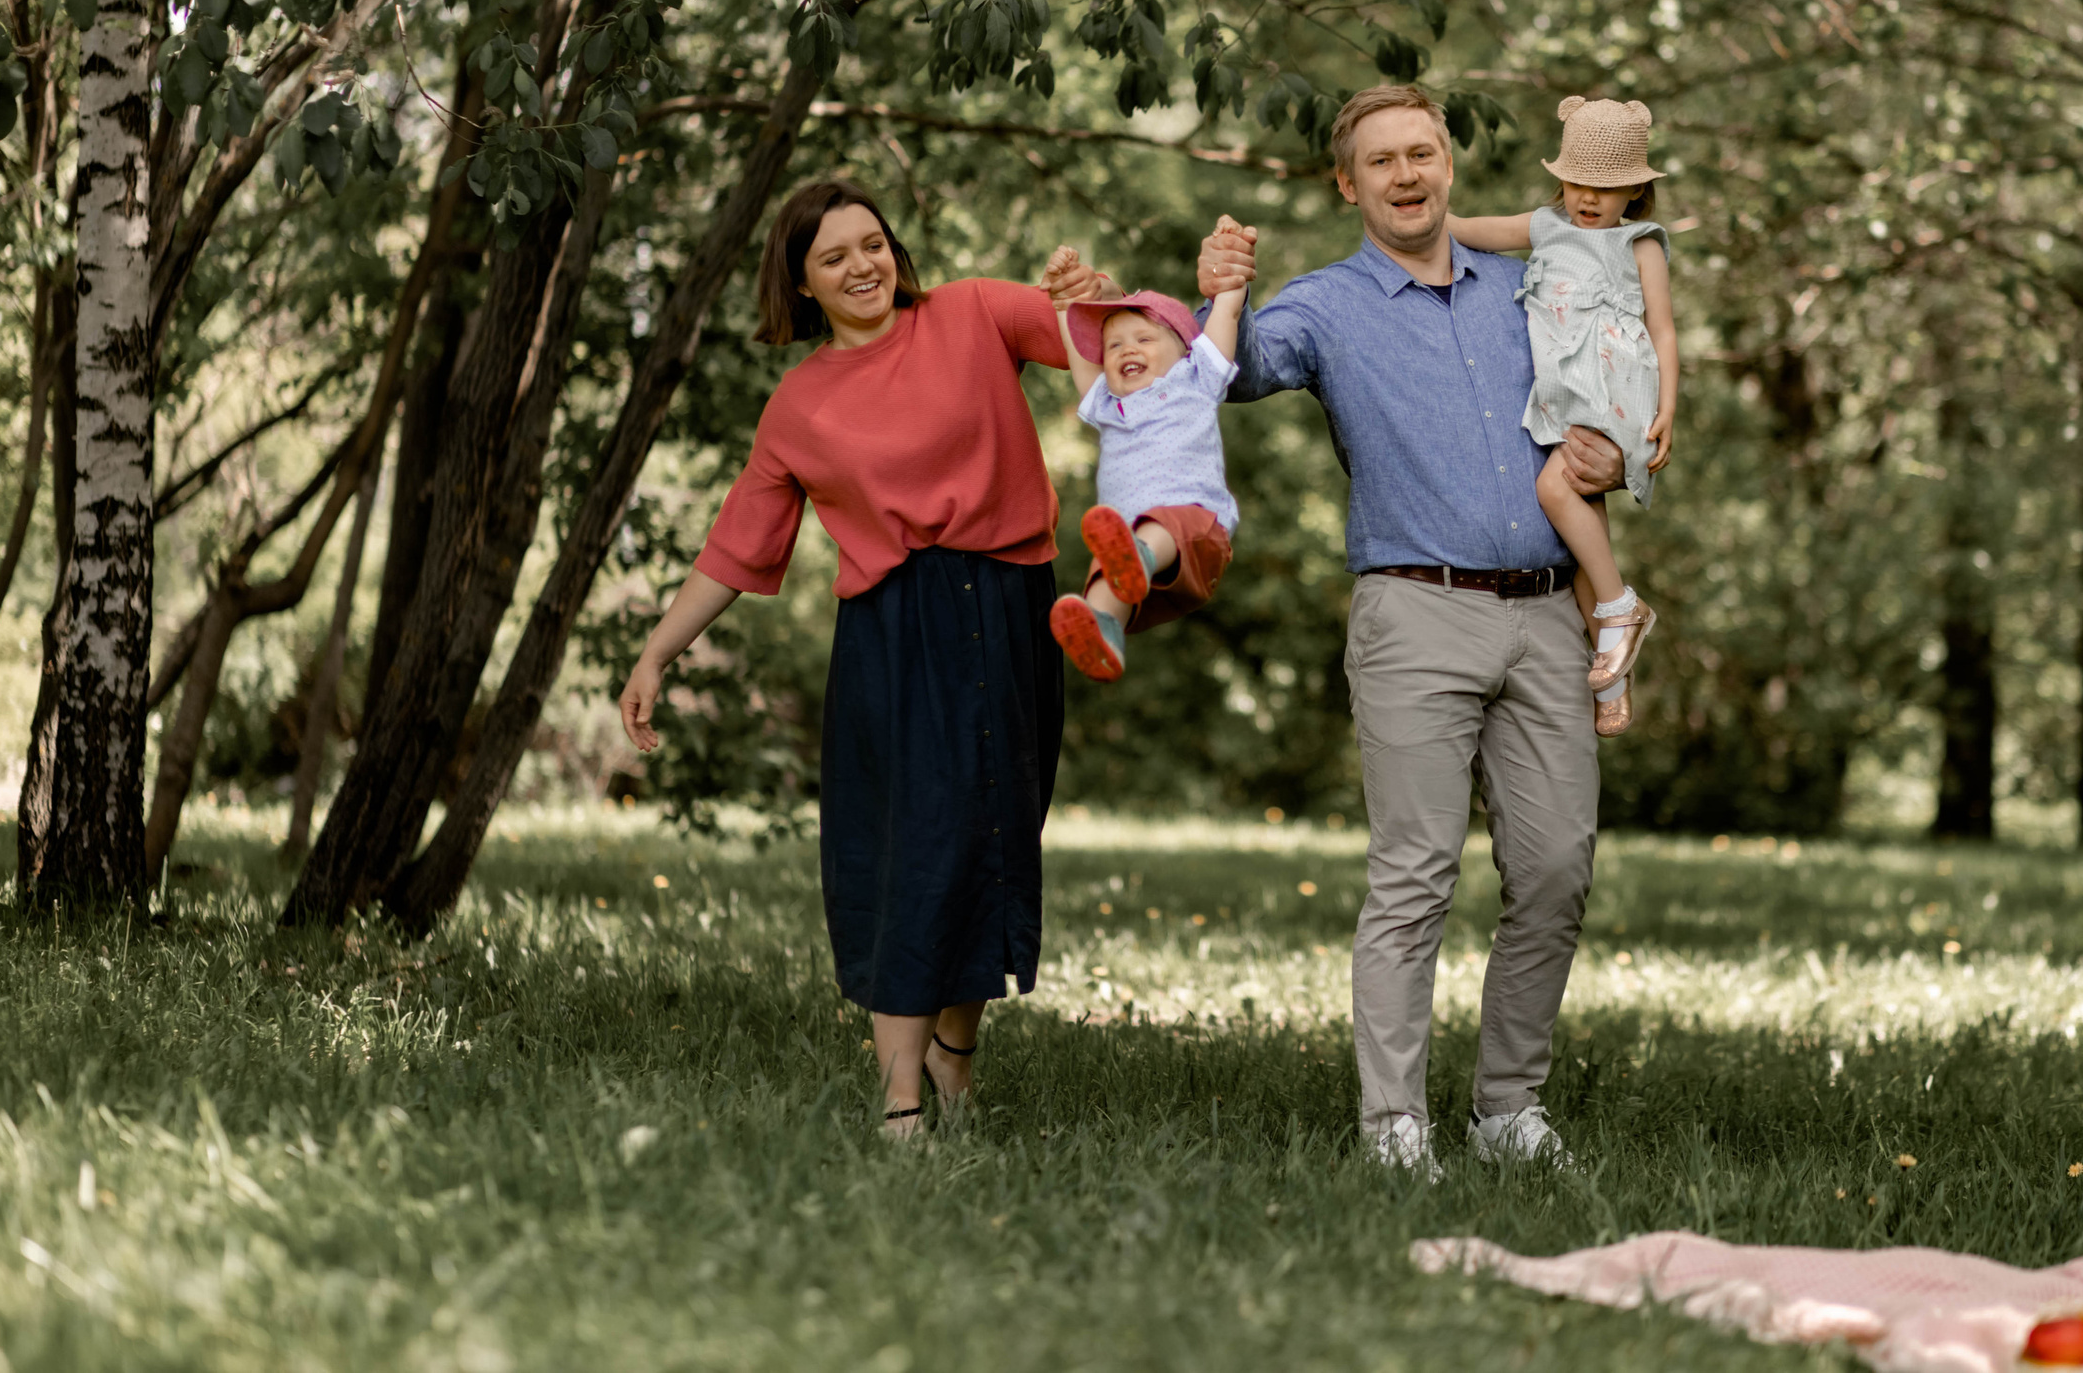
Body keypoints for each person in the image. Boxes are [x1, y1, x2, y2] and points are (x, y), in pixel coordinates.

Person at [1196, 85, 1626, 1176]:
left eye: (1420, 153)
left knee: (1556, 870)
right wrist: (1220, 299)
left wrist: (1616, 453)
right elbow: (1232, 376)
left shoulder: (1527, 287)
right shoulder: (1324, 306)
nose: (1404, 174)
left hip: (1545, 614)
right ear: (1348, 184)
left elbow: (1601, 391)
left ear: (1447, 164)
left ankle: (1505, 1112)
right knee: (1414, 874)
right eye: (1379, 160)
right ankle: (1395, 1127)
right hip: (1412, 612)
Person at [617, 178, 1090, 1140]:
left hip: (1012, 607)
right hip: (897, 634)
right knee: (911, 850)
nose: (862, 266)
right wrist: (658, 652)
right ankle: (902, 1102)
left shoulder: (972, 313)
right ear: (801, 286)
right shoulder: (800, 406)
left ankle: (958, 1052)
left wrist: (1085, 299)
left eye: (870, 244)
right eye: (833, 258)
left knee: (996, 837)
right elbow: (738, 544)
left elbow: (1105, 349)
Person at [1447, 96, 1682, 736]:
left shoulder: (1639, 245)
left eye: (1605, 188)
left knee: (1554, 487)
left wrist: (1667, 410)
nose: (1588, 198)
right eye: (1577, 182)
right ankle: (1610, 671)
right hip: (1567, 394)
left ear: (1635, 189)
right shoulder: (1546, 226)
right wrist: (1428, 214)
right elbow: (1474, 229)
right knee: (1581, 545)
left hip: (1616, 387)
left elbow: (1663, 330)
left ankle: (1622, 607)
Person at [1035, 250, 1247, 683]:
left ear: (1185, 348)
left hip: (1197, 531)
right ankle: (1103, 630)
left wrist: (1232, 278)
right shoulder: (1110, 406)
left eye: (1144, 339)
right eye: (1114, 346)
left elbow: (1225, 314)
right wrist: (1062, 305)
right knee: (1104, 573)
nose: (1127, 349)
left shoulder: (1196, 377)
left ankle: (1137, 557)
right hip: (1134, 563)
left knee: (1159, 525)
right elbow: (1079, 358)